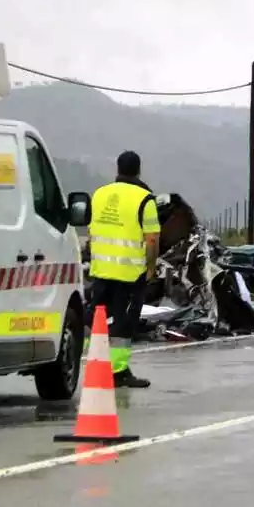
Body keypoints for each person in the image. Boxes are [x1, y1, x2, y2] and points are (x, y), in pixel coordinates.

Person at [85, 150, 161, 389]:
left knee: (97, 321)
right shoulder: (145, 199)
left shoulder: (99, 194)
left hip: (100, 271)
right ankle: (117, 372)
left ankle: (96, 365)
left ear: (117, 169)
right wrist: (150, 267)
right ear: (138, 170)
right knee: (123, 325)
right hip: (129, 274)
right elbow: (152, 239)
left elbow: (91, 230)